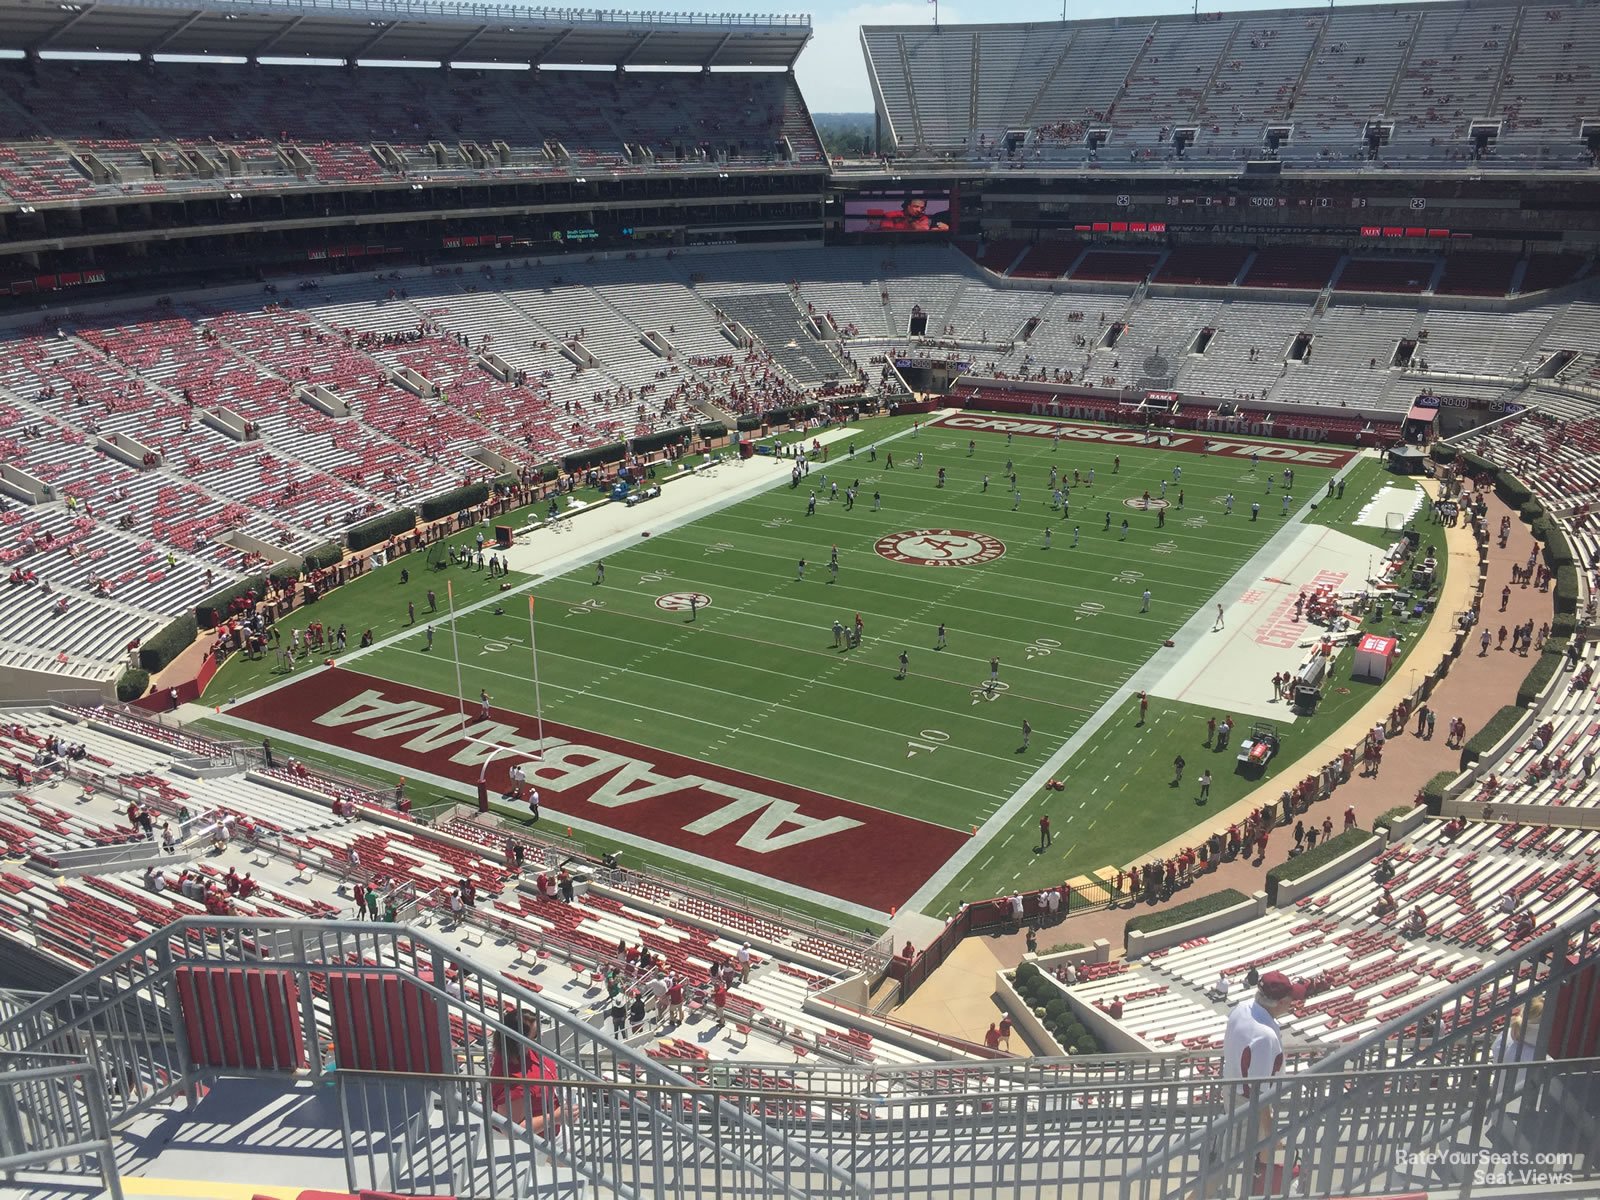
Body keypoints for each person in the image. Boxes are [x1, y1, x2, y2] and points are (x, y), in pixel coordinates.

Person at [1221, 971, 1305, 1177]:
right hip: (1248, 1103)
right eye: (1290, 1000)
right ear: (1279, 1003)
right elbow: (1259, 1094)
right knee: (1221, 1171)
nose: (1292, 1003)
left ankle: (1257, 1188)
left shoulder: (1242, 1008)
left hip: (1232, 1087)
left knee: (1258, 1160)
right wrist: (1270, 1132)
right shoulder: (1264, 1036)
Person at [489, 1009, 562, 1137]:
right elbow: (510, 1129)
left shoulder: (525, 1053)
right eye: (535, 1035)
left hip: (552, 1129)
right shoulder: (517, 1083)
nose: (542, 1036)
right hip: (539, 1143)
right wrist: (555, 1118)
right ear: (519, 1041)